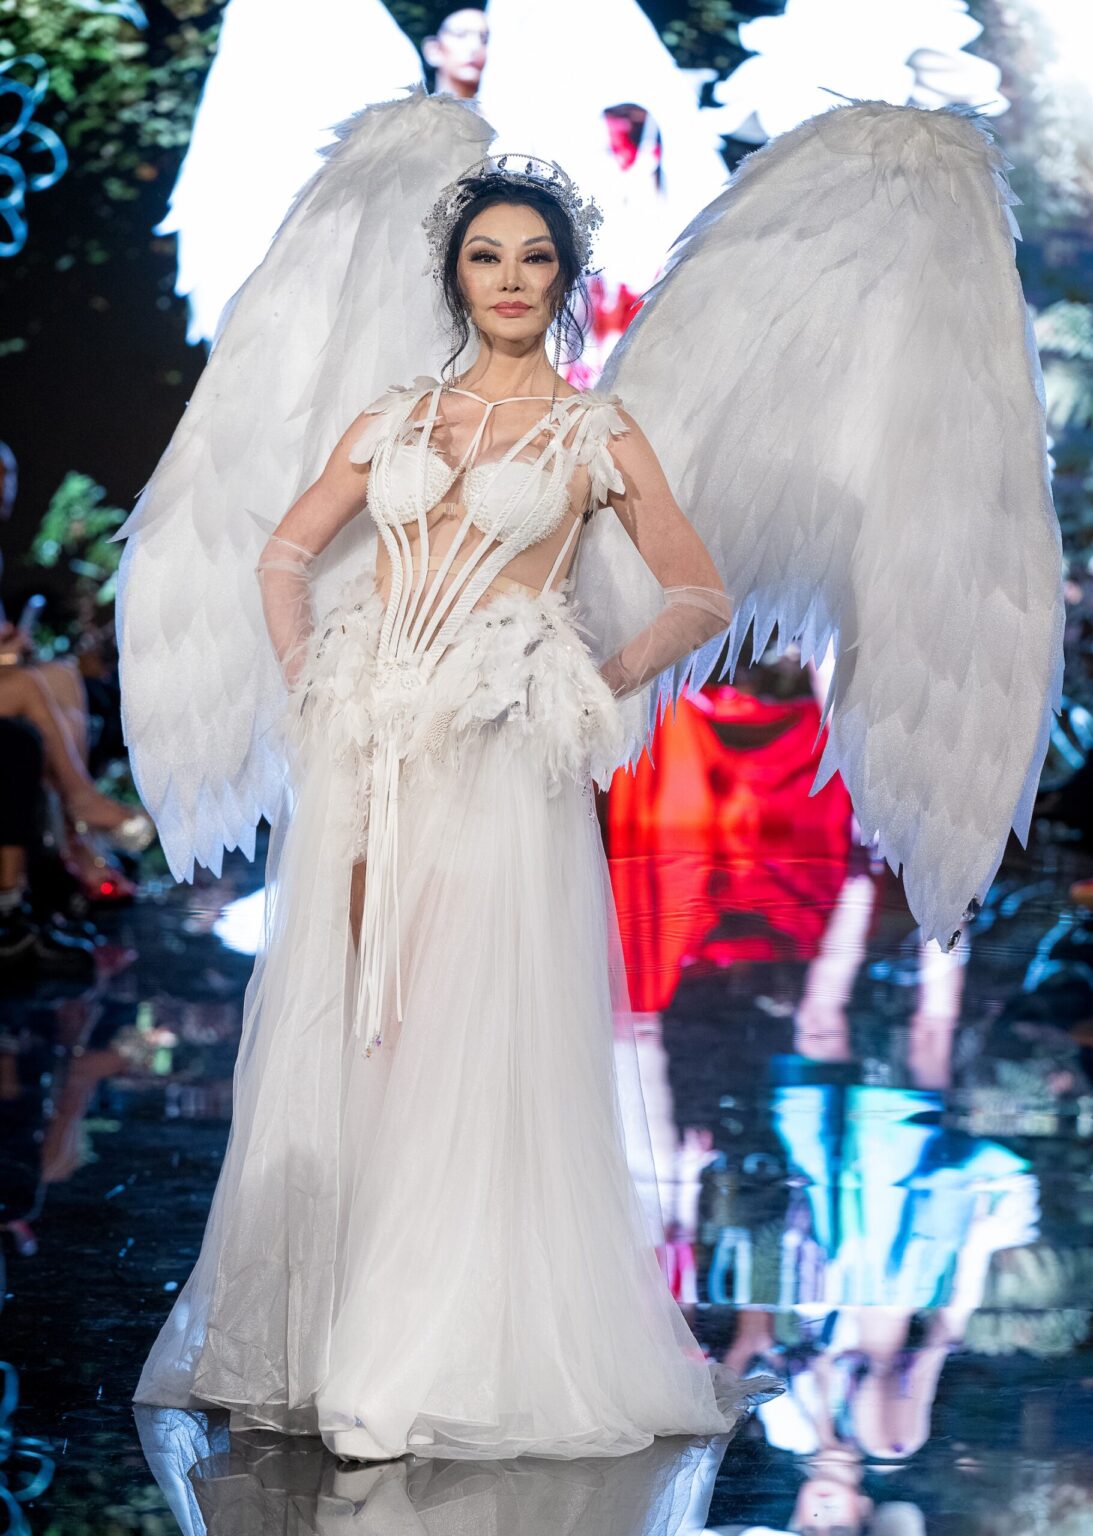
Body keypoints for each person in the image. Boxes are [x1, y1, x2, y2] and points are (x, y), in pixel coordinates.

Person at [121, 88, 1062, 1462]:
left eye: (534, 259)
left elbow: (691, 591)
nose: (509, 280)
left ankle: (427, 1346)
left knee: (464, 1035)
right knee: (350, 1027)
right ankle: (322, 1331)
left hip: (503, 761)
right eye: (487, 256)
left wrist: (572, 674)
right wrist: (313, 670)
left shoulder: (593, 434)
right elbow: (281, 553)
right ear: (455, 270)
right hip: (372, 748)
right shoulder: (393, 416)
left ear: (564, 281)